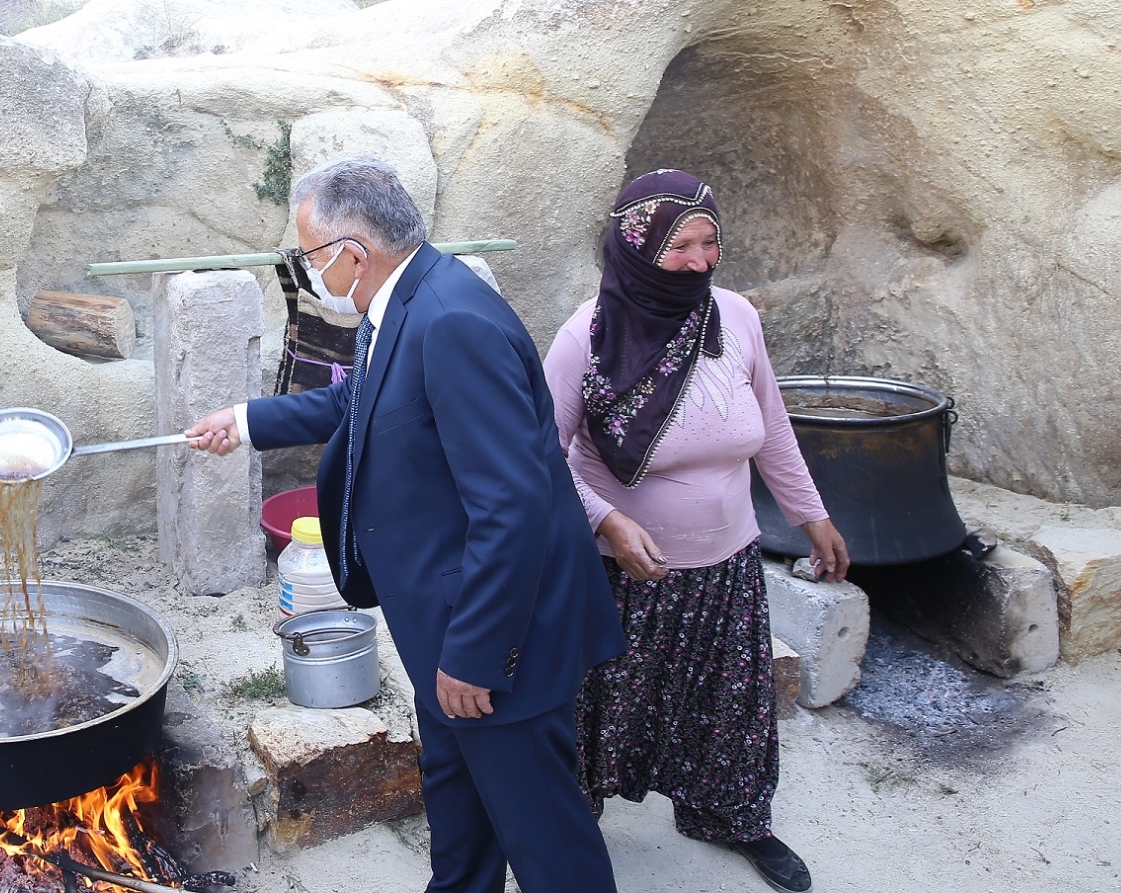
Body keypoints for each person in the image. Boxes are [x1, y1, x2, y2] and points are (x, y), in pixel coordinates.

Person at [185, 157, 625, 893]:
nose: (307, 271)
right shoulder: (409, 297)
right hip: (442, 622)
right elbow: (357, 402)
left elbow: (510, 507)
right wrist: (243, 420)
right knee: (458, 796)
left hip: (495, 637)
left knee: (545, 833)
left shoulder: (451, 322)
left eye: (308, 256)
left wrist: (475, 656)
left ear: (352, 254)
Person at [542, 169, 851, 893]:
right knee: (602, 708)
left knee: (727, 708)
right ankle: (567, 828)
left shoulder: (736, 316)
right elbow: (540, 461)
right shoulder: (584, 335)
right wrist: (608, 521)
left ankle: (733, 815)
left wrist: (813, 515)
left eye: (711, 241)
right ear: (635, 245)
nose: (702, 259)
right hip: (623, 571)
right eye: (681, 244)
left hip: (730, 563)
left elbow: (772, 429)